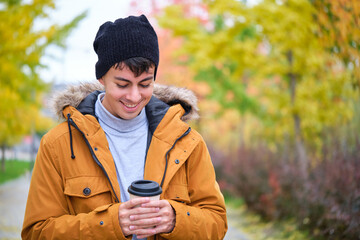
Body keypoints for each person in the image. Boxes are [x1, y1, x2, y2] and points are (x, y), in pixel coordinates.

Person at [22, 14, 227, 240]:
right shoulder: (57, 145)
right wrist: (108, 224)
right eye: (122, 84)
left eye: (145, 84)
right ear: (101, 78)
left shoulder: (187, 142)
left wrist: (176, 219)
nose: (134, 96)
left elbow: (217, 223)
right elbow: (36, 232)